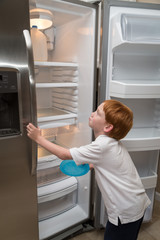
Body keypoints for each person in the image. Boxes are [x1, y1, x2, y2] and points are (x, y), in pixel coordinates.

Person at [26, 99, 151, 240]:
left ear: (108, 127)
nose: (92, 114)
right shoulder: (113, 144)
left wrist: (38, 138)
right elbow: (109, 164)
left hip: (125, 212)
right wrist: (92, 165)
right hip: (136, 204)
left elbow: (64, 154)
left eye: (97, 113)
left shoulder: (101, 146)